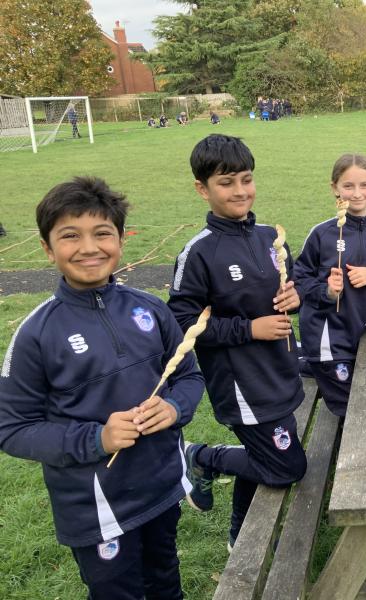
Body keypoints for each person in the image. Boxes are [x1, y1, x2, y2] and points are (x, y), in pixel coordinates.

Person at [0, 177, 204, 599]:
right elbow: (12, 428)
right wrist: (97, 439)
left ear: (121, 240)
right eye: (70, 236)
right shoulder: (37, 334)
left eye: (102, 233)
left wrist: (174, 408)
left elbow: (189, 376)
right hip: (97, 510)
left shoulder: (150, 309)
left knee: (165, 581)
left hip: (162, 487)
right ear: (47, 247)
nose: (89, 248)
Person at [167, 134, 308, 551]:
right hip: (242, 384)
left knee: (266, 455)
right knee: (286, 468)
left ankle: (239, 537)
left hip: (279, 370)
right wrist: (250, 329)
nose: (240, 191)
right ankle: (201, 456)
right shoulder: (198, 253)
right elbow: (181, 323)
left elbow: (292, 286)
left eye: (246, 179)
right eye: (226, 183)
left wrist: (295, 297)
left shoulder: (270, 237)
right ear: (203, 189)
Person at [293, 153, 366, 416]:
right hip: (328, 338)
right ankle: (309, 361)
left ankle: (304, 362)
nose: (357, 193)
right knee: (351, 408)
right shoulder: (322, 234)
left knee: (358, 390)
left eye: (364, 185)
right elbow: (299, 281)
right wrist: (327, 291)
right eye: (348, 186)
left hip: (360, 331)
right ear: (335, 188)